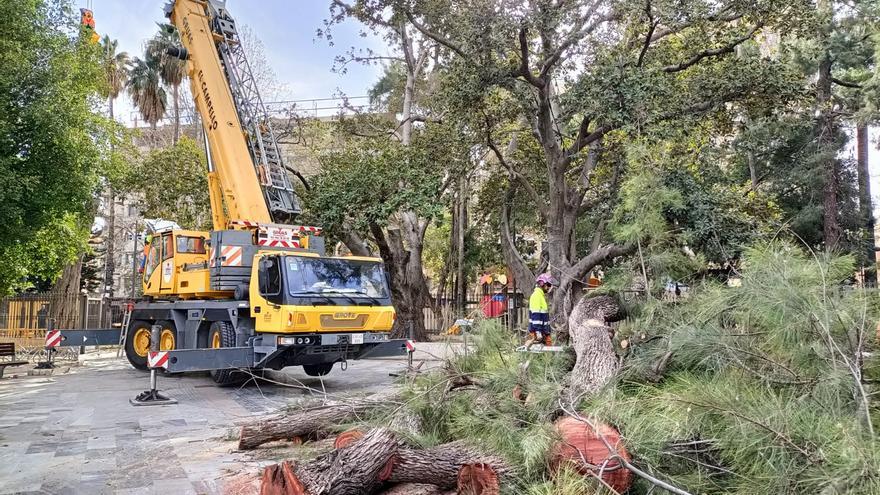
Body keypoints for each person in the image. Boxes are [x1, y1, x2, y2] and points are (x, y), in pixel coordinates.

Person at [529, 273, 554, 345]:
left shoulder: (541, 296)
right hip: (539, 333)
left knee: (547, 352)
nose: (549, 287)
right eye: (548, 285)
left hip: (544, 331)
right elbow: (536, 315)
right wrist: (538, 332)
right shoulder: (536, 295)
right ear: (542, 283)